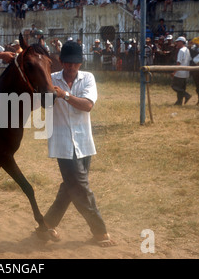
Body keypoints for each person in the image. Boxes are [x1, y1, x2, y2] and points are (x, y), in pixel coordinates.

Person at [44, 41, 116, 247]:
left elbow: (87, 106)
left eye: (76, 64)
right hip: (62, 143)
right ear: (61, 61)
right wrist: (49, 93)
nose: (72, 67)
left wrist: (64, 95)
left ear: (81, 63)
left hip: (84, 142)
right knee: (81, 188)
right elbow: (41, 102)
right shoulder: (50, 80)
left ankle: (45, 225)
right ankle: (99, 231)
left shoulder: (88, 78)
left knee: (70, 187)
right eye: (68, 63)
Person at [172, 36, 192, 105]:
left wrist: (174, 72)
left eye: (178, 42)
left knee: (175, 86)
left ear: (181, 42)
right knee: (181, 88)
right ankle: (179, 102)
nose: (176, 43)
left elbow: (179, 62)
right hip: (186, 73)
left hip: (180, 73)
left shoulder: (181, 50)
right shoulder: (187, 50)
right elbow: (189, 60)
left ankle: (186, 95)